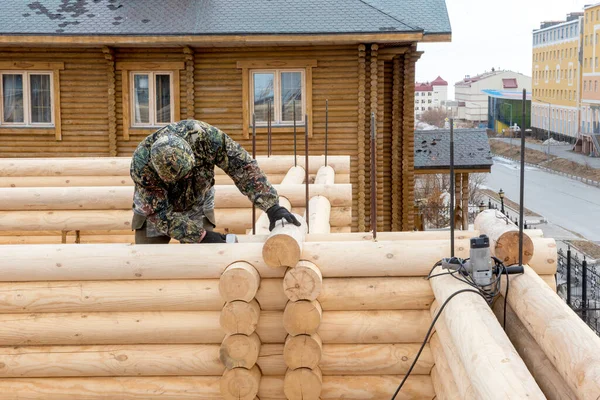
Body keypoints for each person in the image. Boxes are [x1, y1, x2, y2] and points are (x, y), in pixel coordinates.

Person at [130, 119, 300, 244]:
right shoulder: (142, 165)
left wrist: (271, 206)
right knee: (147, 263)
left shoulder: (205, 137)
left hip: (198, 201)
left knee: (206, 262)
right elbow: (159, 214)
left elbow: (242, 166)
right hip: (156, 210)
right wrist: (201, 236)